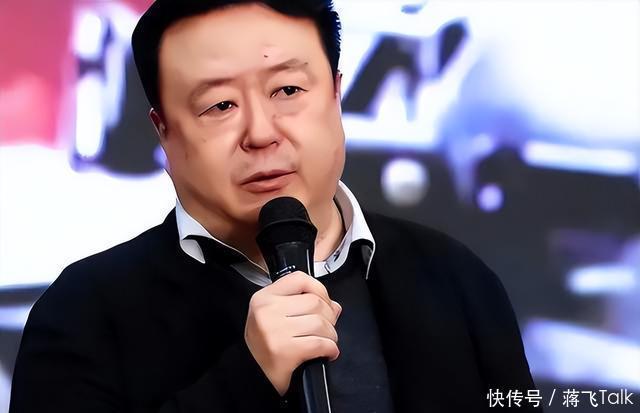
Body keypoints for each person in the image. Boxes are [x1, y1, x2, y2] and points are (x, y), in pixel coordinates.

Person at [10, 1, 541, 412]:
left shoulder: (454, 277)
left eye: (287, 90)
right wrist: (246, 380)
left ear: (335, 96)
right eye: (219, 105)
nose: (261, 133)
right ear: (163, 132)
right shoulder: (82, 313)